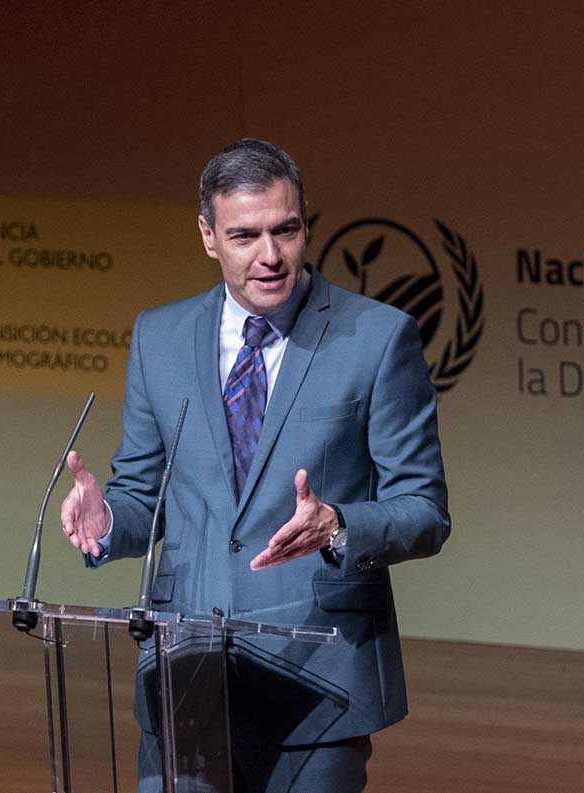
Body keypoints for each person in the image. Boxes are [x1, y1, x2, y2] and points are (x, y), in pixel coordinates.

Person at [59, 138, 450, 792]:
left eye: (286, 230)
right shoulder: (160, 336)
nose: (270, 256)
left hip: (318, 676)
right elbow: (141, 496)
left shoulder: (378, 338)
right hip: (185, 673)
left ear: (305, 226)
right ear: (209, 236)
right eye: (245, 235)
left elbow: (425, 511)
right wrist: (104, 521)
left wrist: (338, 525)